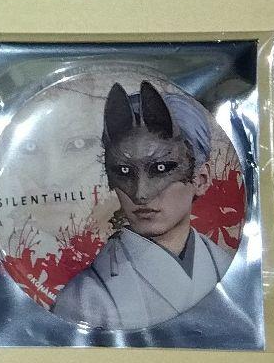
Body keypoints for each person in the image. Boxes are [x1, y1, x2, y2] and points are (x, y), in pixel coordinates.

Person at [50, 81, 233, 330]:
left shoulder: (224, 265)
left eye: (161, 168)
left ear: (201, 179)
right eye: (124, 172)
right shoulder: (86, 299)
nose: (140, 194)